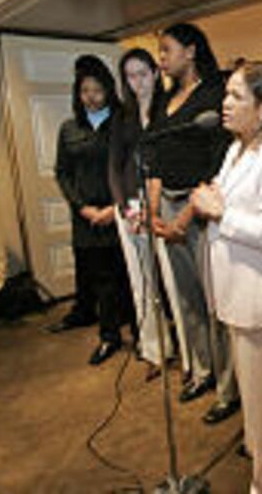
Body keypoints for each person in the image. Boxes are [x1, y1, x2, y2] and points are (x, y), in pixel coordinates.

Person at [191, 62, 262, 494]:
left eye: (236, 96)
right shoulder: (236, 149)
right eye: (226, 94)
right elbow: (222, 196)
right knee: (258, 417)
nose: (224, 104)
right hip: (240, 298)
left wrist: (221, 211)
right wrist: (214, 202)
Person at [148, 23, 239, 423]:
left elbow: (217, 164)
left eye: (166, 50)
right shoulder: (166, 99)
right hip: (166, 207)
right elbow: (154, 158)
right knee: (187, 300)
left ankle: (228, 387)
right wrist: (154, 212)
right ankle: (202, 371)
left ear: (190, 50)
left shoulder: (212, 97)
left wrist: (185, 216)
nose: (161, 58)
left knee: (215, 303)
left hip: (200, 206)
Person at [51, 55, 135, 365]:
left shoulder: (122, 123)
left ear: (109, 90)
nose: (91, 97)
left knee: (127, 276)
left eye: (97, 90)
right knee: (100, 281)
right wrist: (82, 207)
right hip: (86, 218)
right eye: (85, 90)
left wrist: (114, 208)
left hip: (120, 212)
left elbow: (128, 169)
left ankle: (141, 336)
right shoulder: (68, 128)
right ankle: (109, 337)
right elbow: (62, 172)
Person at [109, 47, 175, 381]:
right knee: (142, 282)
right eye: (130, 76)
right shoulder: (122, 116)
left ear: (155, 72)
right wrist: (123, 207)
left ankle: (188, 355)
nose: (137, 82)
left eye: (143, 73)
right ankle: (154, 350)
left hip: (163, 203)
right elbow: (114, 166)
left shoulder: (170, 106)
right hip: (131, 207)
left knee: (173, 281)